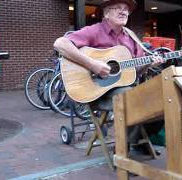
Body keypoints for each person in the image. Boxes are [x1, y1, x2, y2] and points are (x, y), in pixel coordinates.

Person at [54, 0, 164, 152]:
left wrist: (149, 64)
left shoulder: (131, 38)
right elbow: (60, 44)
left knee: (162, 99)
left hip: (124, 88)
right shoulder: (94, 31)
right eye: (118, 8)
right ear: (106, 13)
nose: (123, 11)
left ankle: (137, 140)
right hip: (97, 91)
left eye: (126, 9)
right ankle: (121, 152)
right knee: (131, 99)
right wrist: (92, 65)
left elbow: (132, 74)